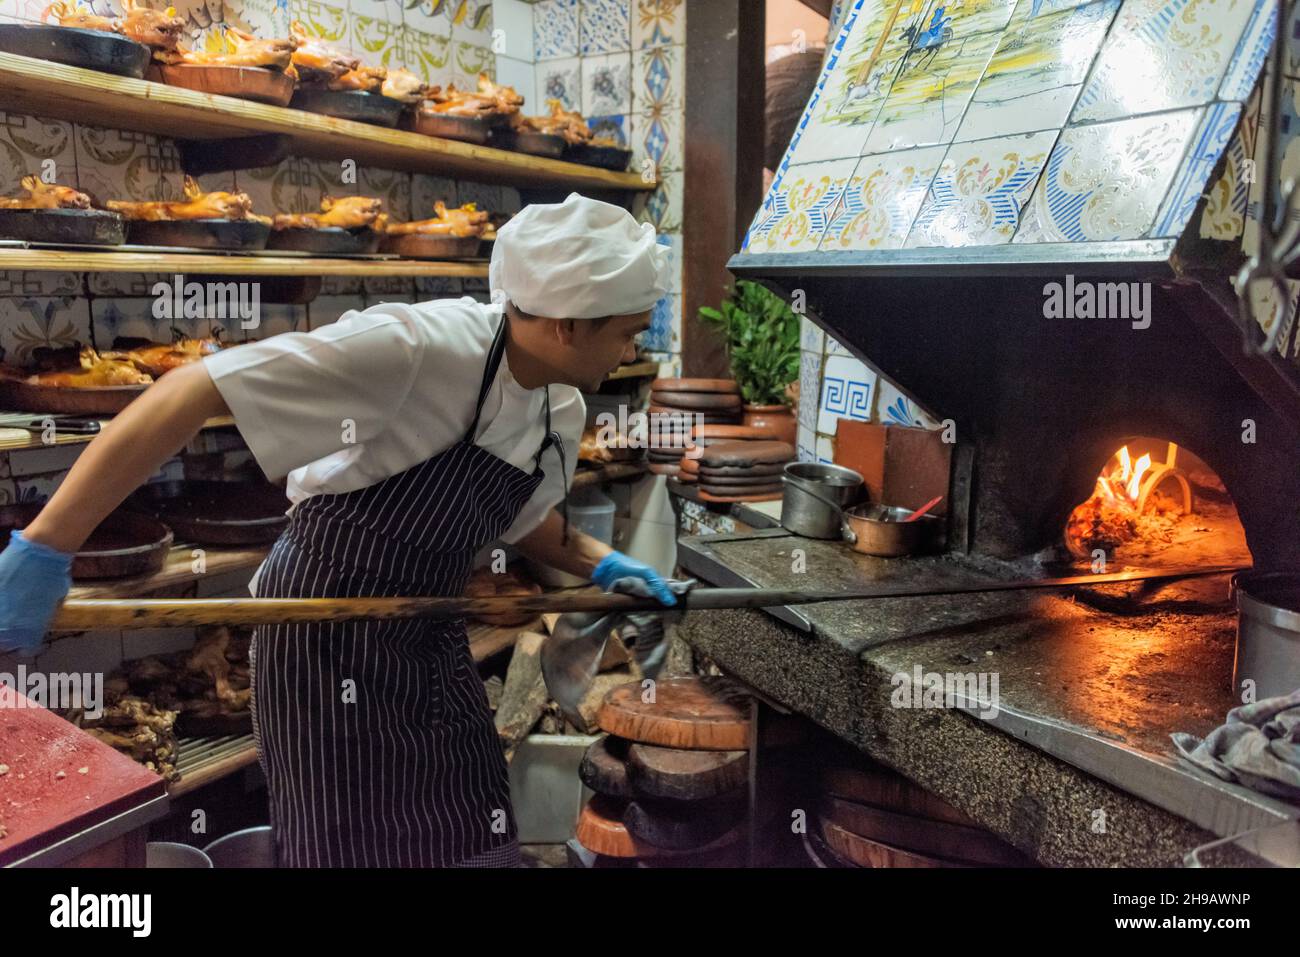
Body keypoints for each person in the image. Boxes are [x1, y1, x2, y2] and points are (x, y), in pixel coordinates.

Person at [0, 192, 677, 867]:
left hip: (426, 630)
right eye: (626, 332)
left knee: (476, 826)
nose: (632, 348)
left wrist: (606, 563)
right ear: (566, 324)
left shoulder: (559, 408)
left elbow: (521, 515)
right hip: (320, 635)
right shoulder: (420, 349)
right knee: (349, 846)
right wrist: (47, 544)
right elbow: (194, 389)